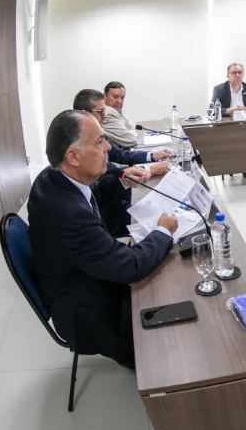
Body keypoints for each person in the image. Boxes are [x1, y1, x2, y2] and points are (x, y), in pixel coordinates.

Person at [28, 110, 178, 369]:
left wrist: (122, 180)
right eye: (99, 142)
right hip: (90, 309)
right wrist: (163, 231)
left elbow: (94, 192)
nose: (109, 147)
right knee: (173, 325)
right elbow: (130, 267)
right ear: (73, 157)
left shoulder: (52, 178)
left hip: (79, 276)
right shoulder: (69, 215)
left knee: (164, 274)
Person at [73, 89, 172, 175]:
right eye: (101, 112)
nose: (105, 116)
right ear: (85, 114)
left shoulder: (98, 132)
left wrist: (153, 155)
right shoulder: (80, 141)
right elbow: (107, 172)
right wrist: (149, 169)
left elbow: (120, 154)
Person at [101, 81, 138, 149]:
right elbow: (131, 140)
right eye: (115, 97)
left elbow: (132, 128)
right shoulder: (106, 114)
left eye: (122, 97)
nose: (119, 101)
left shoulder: (117, 111)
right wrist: (129, 132)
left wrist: (129, 132)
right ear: (104, 96)